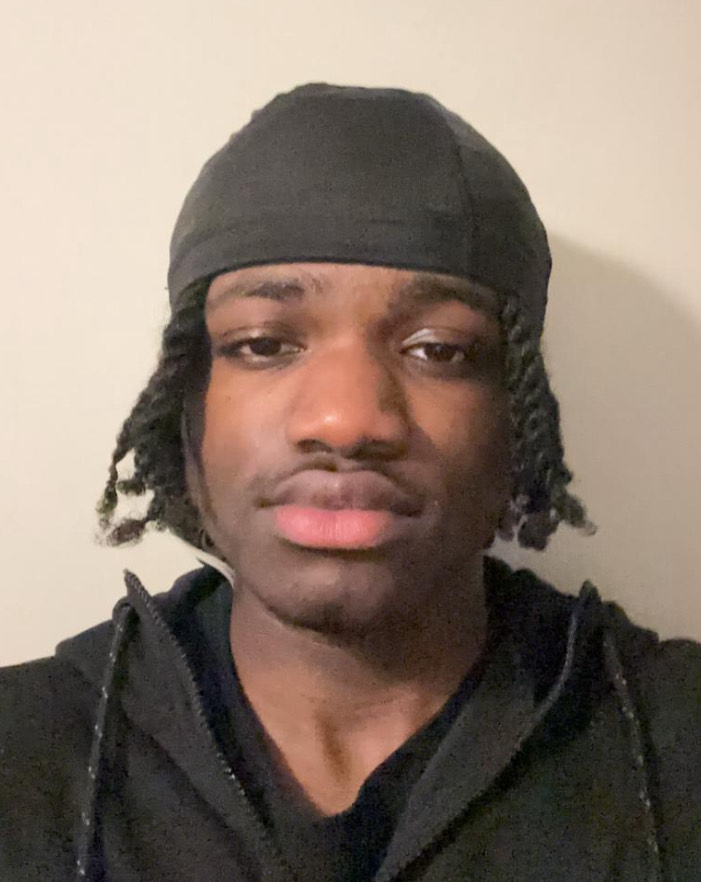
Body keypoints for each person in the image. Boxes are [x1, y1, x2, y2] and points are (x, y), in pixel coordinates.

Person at [1, 83, 699, 882]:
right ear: (183, 412)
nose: (345, 420)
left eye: (438, 349)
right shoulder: (24, 756)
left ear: (518, 420)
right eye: (262, 344)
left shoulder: (676, 744)